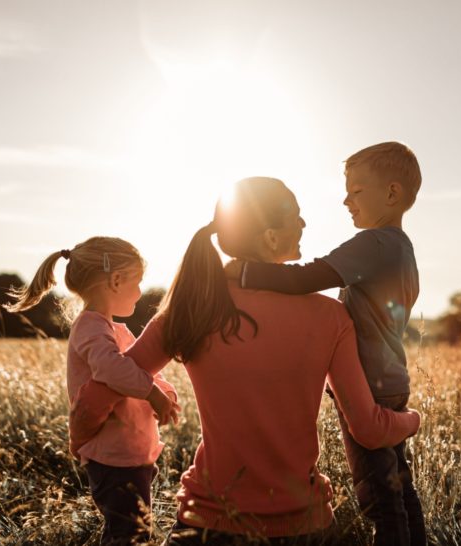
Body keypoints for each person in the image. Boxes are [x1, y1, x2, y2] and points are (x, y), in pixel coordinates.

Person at [69, 177, 421, 545]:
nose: (303, 224)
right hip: (304, 527)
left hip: (207, 524)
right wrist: (412, 420)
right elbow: (368, 428)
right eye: (296, 216)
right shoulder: (331, 315)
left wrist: (80, 439)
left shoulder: (192, 309)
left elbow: (98, 395)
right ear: (270, 237)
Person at [226, 142, 426, 546]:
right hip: (389, 380)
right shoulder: (401, 249)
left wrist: (244, 273)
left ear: (392, 194)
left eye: (356, 191)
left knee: (379, 498)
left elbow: (309, 277)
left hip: (369, 387)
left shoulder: (377, 244)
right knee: (398, 487)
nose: (346, 200)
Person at [5, 237, 179, 545]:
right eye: (137, 283)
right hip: (113, 458)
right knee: (129, 535)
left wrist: (163, 391)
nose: (140, 293)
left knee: (128, 532)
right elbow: (111, 370)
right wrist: (152, 393)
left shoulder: (116, 330)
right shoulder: (90, 327)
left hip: (131, 453)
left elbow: (138, 370)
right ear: (115, 281)